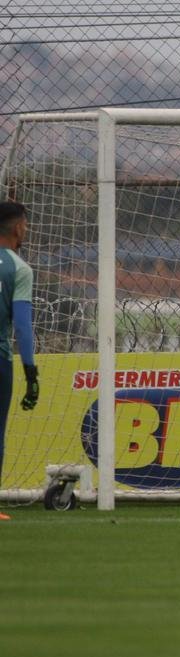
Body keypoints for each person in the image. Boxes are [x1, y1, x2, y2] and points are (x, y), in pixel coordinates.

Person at [1, 201, 39, 487]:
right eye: (25, 225)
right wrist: (30, 373)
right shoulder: (19, 269)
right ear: (17, 228)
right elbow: (23, 328)